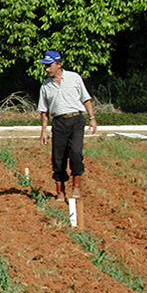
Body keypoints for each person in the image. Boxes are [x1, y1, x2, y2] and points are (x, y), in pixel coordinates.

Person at [37, 50, 97, 201]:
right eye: (45, 66)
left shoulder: (74, 78)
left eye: (49, 65)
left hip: (76, 120)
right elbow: (44, 111)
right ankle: (60, 191)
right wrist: (43, 131)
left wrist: (92, 118)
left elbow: (86, 98)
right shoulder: (45, 86)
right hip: (59, 122)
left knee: (76, 153)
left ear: (59, 64)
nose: (47, 69)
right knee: (58, 158)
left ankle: (76, 187)